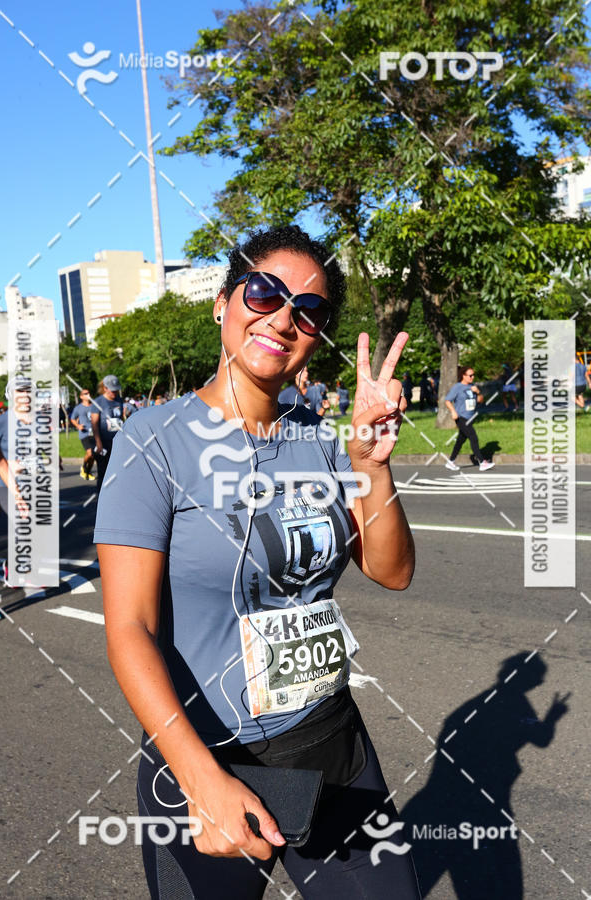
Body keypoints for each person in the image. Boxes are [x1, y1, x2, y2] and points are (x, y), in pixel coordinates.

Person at [95, 225, 421, 900]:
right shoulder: (153, 442)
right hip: (208, 755)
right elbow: (130, 627)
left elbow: (391, 571)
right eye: (264, 292)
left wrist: (370, 465)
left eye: (309, 310)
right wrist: (200, 780)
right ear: (223, 302)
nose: (282, 318)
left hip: (329, 743)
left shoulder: (323, 441)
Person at [444, 366, 495, 471]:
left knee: (460, 440)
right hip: (461, 417)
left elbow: (480, 400)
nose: (472, 377)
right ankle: (482, 462)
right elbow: (447, 400)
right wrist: (453, 411)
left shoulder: (473, 386)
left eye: (473, 375)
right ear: (463, 375)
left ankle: (450, 462)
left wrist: (478, 392)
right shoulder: (457, 387)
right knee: (473, 437)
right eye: (470, 375)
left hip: (470, 418)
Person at [90, 375, 124, 491]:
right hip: (103, 442)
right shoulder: (98, 402)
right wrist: (98, 442)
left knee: (118, 470)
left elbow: (121, 418)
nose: (115, 392)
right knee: (103, 471)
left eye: (116, 390)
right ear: (105, 388)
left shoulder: (119, 400)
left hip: (117, 442)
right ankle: (101, 495)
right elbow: (94, 424)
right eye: (112, 390)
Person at [70, 389, 96, 480]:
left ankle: (88, 472)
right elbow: (72, 419)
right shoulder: (78, 408)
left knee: (93, 455)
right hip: (84, 433)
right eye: (85, 393)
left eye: (89, 393)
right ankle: (84, 468)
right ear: (81, 396)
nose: (88, 394)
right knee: (90, 453)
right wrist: (78, 426)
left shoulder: (94, 406)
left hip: (94, 433)